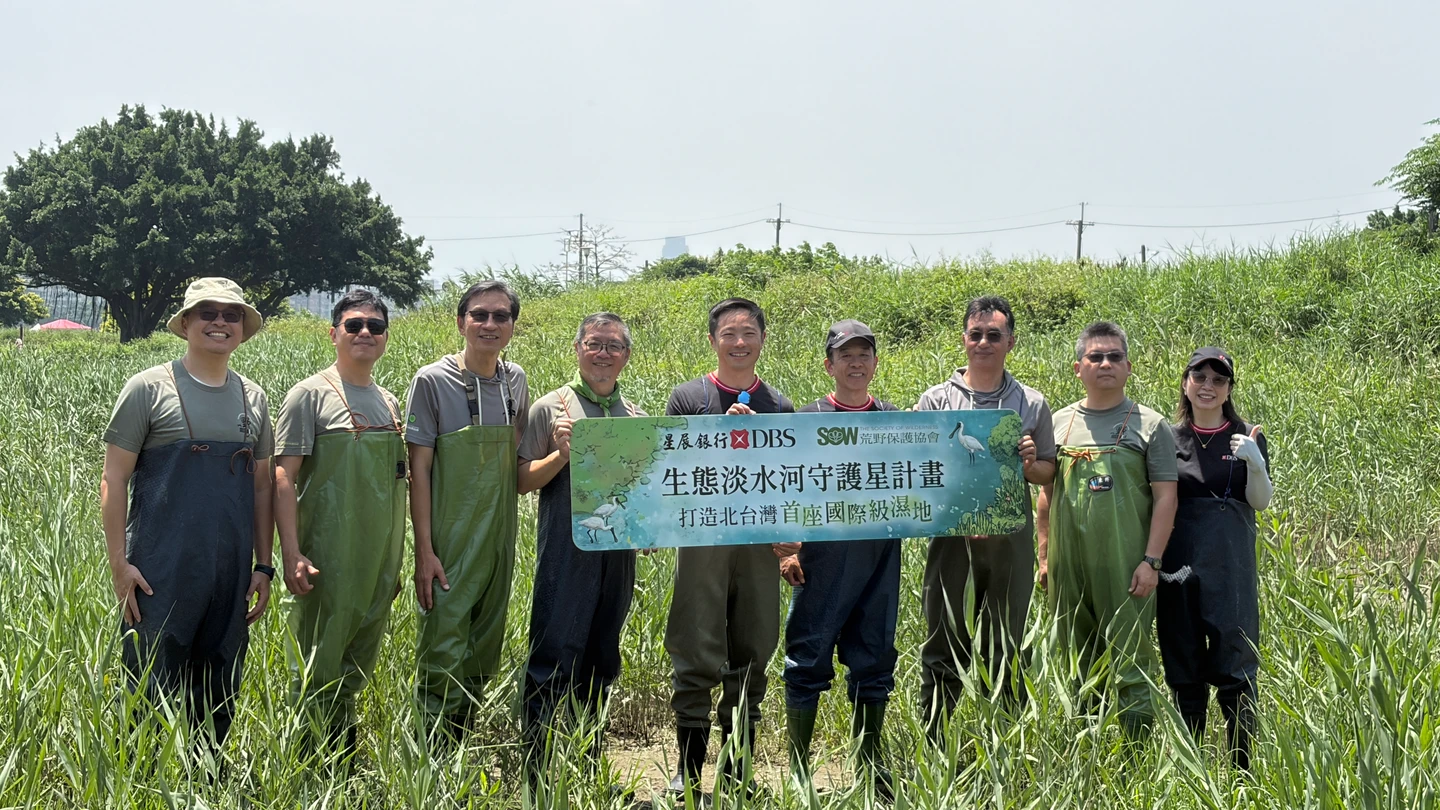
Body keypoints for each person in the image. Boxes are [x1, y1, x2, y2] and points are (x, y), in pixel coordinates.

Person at [99, 277, 275, 752]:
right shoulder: (147, 388)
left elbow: (262, 486)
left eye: (231, 315)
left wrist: (263, 565)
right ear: (186, 322)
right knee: (147, 688)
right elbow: (113, 479)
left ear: (242, 327)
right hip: (159, 571)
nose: (220, 322)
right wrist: (119, 565)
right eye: (207, 313)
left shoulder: (254, 398)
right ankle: (140, 782)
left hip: (231, 572)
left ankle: (209, 779)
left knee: (219, 687)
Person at [664, 297, 795, 798]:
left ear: (763, 339)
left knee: (753, 651)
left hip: (759, 545)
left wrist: (791, 543)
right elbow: (672, 471)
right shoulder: (687, 398)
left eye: (749, 333)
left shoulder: (779, 405)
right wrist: (720, 437)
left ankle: (737, 772)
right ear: (712, 340)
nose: (739, 343)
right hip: (703, 542)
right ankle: (687, 772)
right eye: (729, 334)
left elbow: (789, 478)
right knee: (695, 649)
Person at [913, 296, 1056, 734]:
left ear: (1010, 342)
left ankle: (1004, 744)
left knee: (1006, 642)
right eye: (975, 334)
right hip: (951, 538)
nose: (984, 343)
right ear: (964, 340)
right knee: (944, 639)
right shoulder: (935, 400)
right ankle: (935, 744)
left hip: (1009, 539)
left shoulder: (1031, 403)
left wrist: (1029, 463)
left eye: (994, 335)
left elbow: (1048, 472)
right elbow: (916, 468)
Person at [273, 289, 406, 755]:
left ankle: (341, 761)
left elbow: (396, 485)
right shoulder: (308, 395)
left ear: (385, 337)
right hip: (326, 553)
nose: (365, 332)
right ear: (333, 334)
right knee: (317, 660)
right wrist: (292, 553)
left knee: (358, 659)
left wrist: (394, 560)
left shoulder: (389, 402)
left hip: (378, 558)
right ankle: (304, 765)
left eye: (375, 326)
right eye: (354, 325)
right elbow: (282, 477)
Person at [518, 312, 644, 780]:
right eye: (594, 344)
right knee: (553, 655)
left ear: (626, 356)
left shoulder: (634, 417)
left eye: (613, 346)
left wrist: (646, 531)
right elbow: (521, 480)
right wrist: (559, 455)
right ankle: (538, 773)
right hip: (565, 552)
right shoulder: (552, 407)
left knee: (602, 657)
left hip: (618, 554)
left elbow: (639, 491)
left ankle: (587, 770)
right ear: (577, 349)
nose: (603, 354)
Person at [1037, 321, 1177, 739]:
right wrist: (1044, 558)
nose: (1105, 364)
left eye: (1115, 357)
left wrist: (1152, 561)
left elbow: (1167, 498)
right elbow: (1046, 494)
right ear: (1078, 368)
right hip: (1068, 565)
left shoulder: (1151, 425)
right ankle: (1087, 754)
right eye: (1095, 357)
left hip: (1126, 563)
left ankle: (1137, 758)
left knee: (1131, 659)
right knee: (1075, 660)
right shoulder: (1058, 423)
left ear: (1128, 367)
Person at [405, 280, 530, 739]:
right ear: (461, 322)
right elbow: (418, 469)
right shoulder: (432, 381)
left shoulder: (515, 380)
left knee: (485, 641)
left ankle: (462, 740)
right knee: (444, 639)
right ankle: (430, 754)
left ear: (512, 326)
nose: (489, 324)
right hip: (450, 536)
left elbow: (514, 457)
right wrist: (424, 551)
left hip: (499, 534)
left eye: (501, 316)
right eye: (479, 315)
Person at [780, 320, 900, 796]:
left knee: (875, 658)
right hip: (822, 558)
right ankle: (798, 769)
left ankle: (869, 766)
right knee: (807, 657)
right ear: (828, 365)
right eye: (845, 356)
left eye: (863, 354)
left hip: (880, 556)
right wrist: (788, 548)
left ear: (875, 363)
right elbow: (786, 483)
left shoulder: (894, 419)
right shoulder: (807, 418)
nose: (855, 363)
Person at [1158, 348, 1272, 770]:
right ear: (1185, 383)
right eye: (1200, 377)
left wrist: (1255, 464)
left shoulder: (1247, 434)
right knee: (1183, 667)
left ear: (1228, 389)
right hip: (1177, 568)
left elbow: (1259, 502)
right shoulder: (1165, 439)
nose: (1208, 386)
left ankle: (1242, 772)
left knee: (1236, 668)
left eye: (1218, 379)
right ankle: (1192, 771)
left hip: (1230, 568)